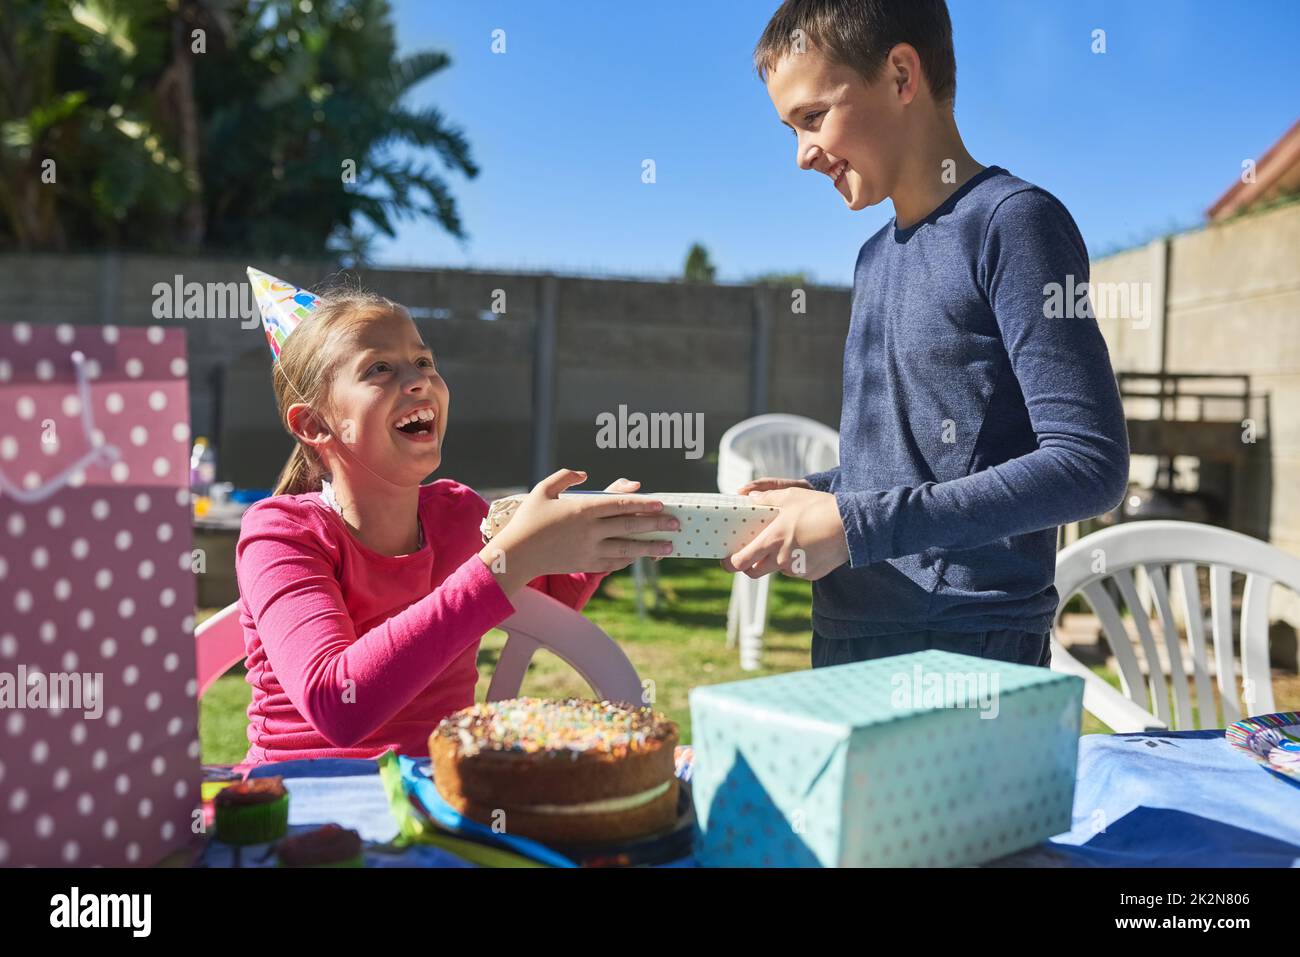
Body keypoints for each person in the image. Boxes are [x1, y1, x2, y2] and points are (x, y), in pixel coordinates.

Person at [724, 0, 1130, 669]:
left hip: (967, 649)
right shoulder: (872, 257)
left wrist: (857, 524)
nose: (801, 156)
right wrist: (818, 495)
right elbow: (911, 470)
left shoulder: (1013, 225)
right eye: (790, 130)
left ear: (902, 76)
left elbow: (1089, 463)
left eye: (813, 117)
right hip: (849, 633)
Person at [234, 270, 676, 763]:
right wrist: (512, 556)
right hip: (308, 805)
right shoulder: (280, 534)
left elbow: (539, 606)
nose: (419, 379)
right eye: (379, 368)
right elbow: (337, 703)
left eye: (423, 361)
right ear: (315, 423)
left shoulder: (460, 514)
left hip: (443, 794)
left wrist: (591, 545)